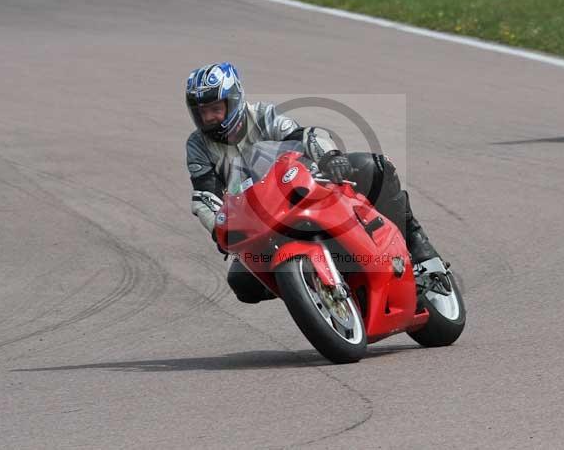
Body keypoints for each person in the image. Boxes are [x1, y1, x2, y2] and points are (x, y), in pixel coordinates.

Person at [185, 62, 442, 304]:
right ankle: (306, 288)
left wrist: (330, 156)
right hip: (258, 220)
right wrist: (219, 230)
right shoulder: (197, 145)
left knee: (374, 167)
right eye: (202, 112)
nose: (209, 118)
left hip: (297, 191)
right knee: (242, 284)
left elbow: (304, 136)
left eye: (215, 108)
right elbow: (206, 195)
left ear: (234, 101)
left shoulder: (263, 115)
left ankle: (419, 252)